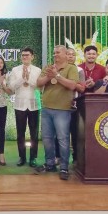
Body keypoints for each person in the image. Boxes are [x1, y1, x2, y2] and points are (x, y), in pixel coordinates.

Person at [36, 45, 78, 180]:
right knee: (47, 139)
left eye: (58, 52)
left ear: (66, 54)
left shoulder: (72, 68)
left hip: (63, 110)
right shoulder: (49, 67)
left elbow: (72, 85)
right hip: (46, 108)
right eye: (54, 53)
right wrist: (49, 76)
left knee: (63, 139)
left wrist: (57, 76)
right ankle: (50, 164)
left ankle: (64, 167)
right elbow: (39, 83)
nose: (55, 55)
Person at [9, 47, 41, 168]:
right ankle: (22, 157)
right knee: (20, 133)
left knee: (34, 133)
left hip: (34, 104)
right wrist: (22, 78)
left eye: (27, 55)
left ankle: (33, 158)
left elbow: (39, 86)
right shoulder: (15, 70)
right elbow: (12, 87)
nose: (25, 57)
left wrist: (28, 79)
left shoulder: (38, 70)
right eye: (23, 55)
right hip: (20, 105)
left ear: (32, 57)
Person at [0, 57, 13, 166]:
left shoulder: (6, 76)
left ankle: (1, 154)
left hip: (2, 106)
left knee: (1, 131)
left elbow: (11, 92)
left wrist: (3, 85)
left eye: (1, 62)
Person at [66, 48, 86, 163]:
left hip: (75, 106)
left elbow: (81, 88)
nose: (70, 56)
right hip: (61, 105)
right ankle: (59, 157)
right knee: (61, 134)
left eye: (73, 55)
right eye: (68, 54)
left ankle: (75, 157)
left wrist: (70, 83)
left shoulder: (79, 70)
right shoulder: (60, 69)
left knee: (75, 133)